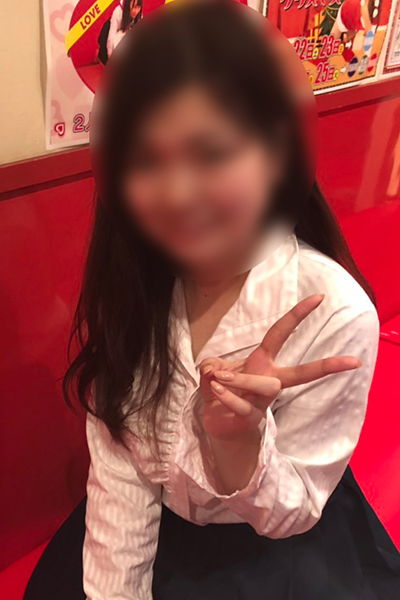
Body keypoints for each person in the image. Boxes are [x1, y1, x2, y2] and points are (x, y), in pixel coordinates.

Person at [24, 1, 400, 599]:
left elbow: (293, 510)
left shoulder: (334, 310)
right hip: (146, 525)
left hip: (271, 540)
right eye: (146, 159)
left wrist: (239, 446)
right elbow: (121, 471)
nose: (177, 193)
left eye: (212, 152)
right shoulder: (132, 284)